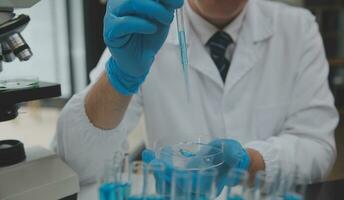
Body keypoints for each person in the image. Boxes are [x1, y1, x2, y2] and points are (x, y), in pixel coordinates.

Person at [53, 0, 339, 190]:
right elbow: (79, 166)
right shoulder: (145, 30)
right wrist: (120, 77)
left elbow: (317, 148)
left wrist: (249, 163)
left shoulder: (297, 27)